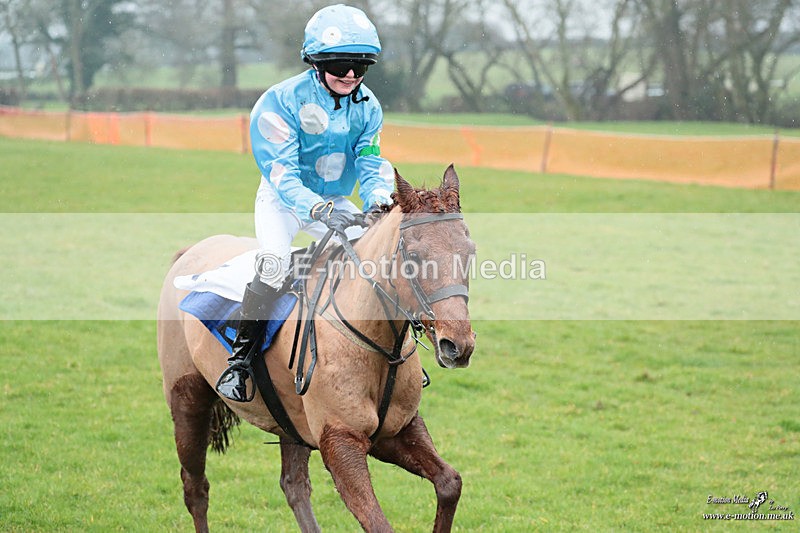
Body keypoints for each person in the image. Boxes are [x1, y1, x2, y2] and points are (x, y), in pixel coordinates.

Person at [216, 4, 394, 402]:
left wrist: (379, 201)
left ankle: (382, 358)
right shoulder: (279, 102)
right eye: (341, 63)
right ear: (315, 62)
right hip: (282, 201)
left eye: (361, 65)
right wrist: (318, 210)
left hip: (333, 200)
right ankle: (239, 364)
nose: (351, 75)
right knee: (276, 264)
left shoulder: (368, 106)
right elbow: (282, 174)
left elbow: (370, 161)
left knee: (374, 258)